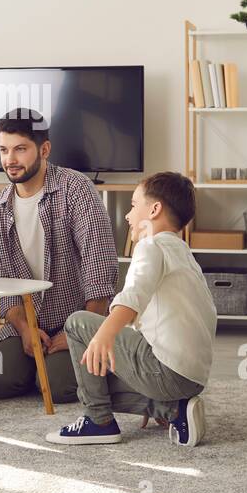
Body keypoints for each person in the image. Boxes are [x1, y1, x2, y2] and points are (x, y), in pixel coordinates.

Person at [46, 172, 216, 447]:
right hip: (191, 378)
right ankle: (173, 410)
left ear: (155, 209)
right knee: (93, 382)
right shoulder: (182, 252)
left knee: (78, 323)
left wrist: (102, 334)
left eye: (134, 205)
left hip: (167, 372)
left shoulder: (151, 245)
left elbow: (132, 297)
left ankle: (98, 421)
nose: (128, 215)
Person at [0, 108, 118, 403]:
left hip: (78, 319)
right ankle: (37, 362)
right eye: (4, 150)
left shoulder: (77, 189)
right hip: (28, 321)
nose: (10, 160)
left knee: (59, 388)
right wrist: (25, 330)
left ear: (44, 149)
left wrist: (82, 332)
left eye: (20, 149)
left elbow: (100, 268)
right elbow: (1, 284)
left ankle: (90, 360)